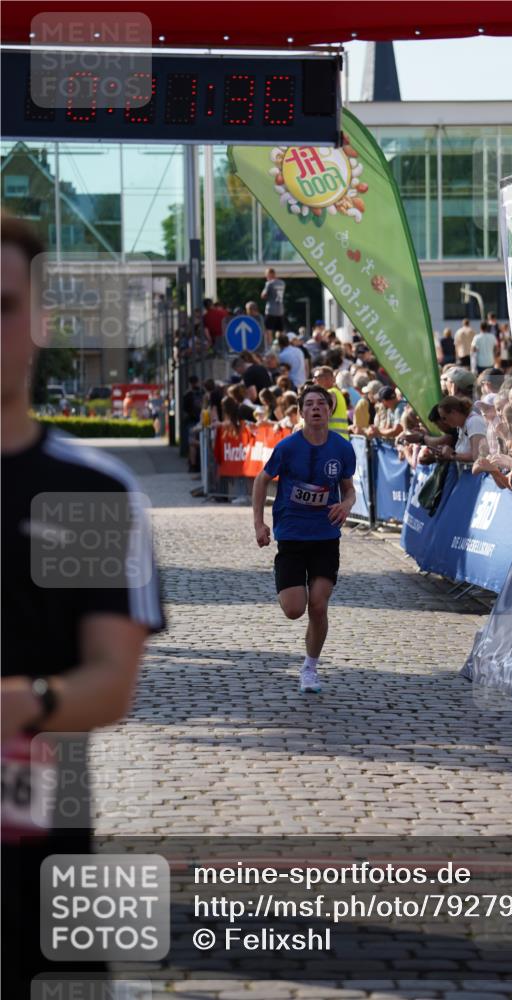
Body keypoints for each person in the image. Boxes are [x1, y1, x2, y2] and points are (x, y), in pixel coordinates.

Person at [1, 215, 164, 993]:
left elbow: (112, 677)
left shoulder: (86, 490)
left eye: (1, 306)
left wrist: (29, 702)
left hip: (34, 841)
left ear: (37, 324)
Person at [252, 385, 356, 694]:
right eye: (309, 404)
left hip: (325, 535)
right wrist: (259, 524)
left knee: (319, 606)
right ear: (301, 413)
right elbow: (261, 480)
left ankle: (310, 668)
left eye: (321, 404)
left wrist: (346, 504)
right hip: (292, 536)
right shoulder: (287, 448)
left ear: (328, 410)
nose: (315, 408)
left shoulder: (342, 449)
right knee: (295, 609)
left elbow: (349, 489)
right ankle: (286, 580)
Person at [312, 365, 349, 439]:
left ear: (325, 378)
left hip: (334, 442)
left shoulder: (330, 393)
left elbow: (321, 416)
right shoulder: (337, 392)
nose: (313, 380)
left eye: (316, 377)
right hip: (338, 441)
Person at [261, 267, 286, 334]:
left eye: (266, 275)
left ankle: (269, 344)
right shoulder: (282, 283)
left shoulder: (269, 283)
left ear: (269, 274)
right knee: (280, 330)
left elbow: (263, 295)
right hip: (280, 310)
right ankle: (281, 343)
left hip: (270, 310)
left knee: (268, 330)